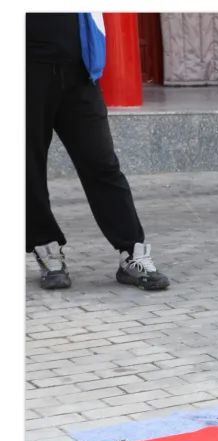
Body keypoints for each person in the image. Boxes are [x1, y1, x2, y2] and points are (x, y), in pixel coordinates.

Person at [27, 13, 169, 291]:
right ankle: (47, 248)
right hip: (25, 72)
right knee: (27, 167)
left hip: (79, 70)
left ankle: (131, 252)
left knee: (102, 163)